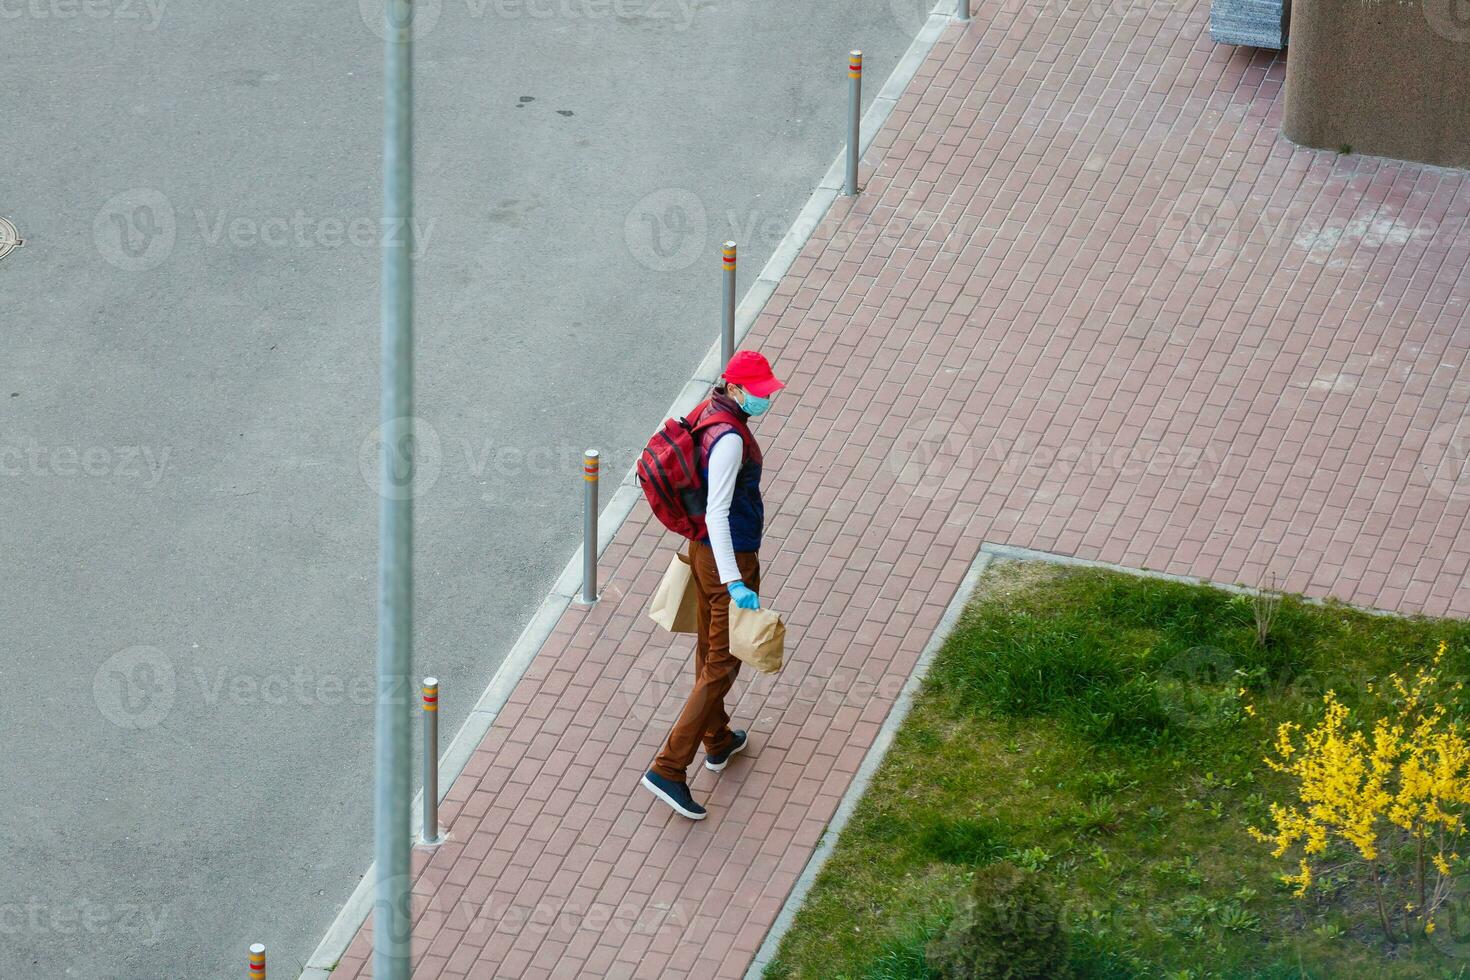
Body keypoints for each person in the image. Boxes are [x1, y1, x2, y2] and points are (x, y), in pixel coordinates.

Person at [641, 350, 783, 820]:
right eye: (760, 392)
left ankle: (718, 740)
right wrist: (735, 581)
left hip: (703, 552)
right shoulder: (730, 441)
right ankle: (668, 768)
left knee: (709, 649)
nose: (765, 398)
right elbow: (719, 512)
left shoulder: (710, 410)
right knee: (721, 665)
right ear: (737, 388)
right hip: (728, 558)